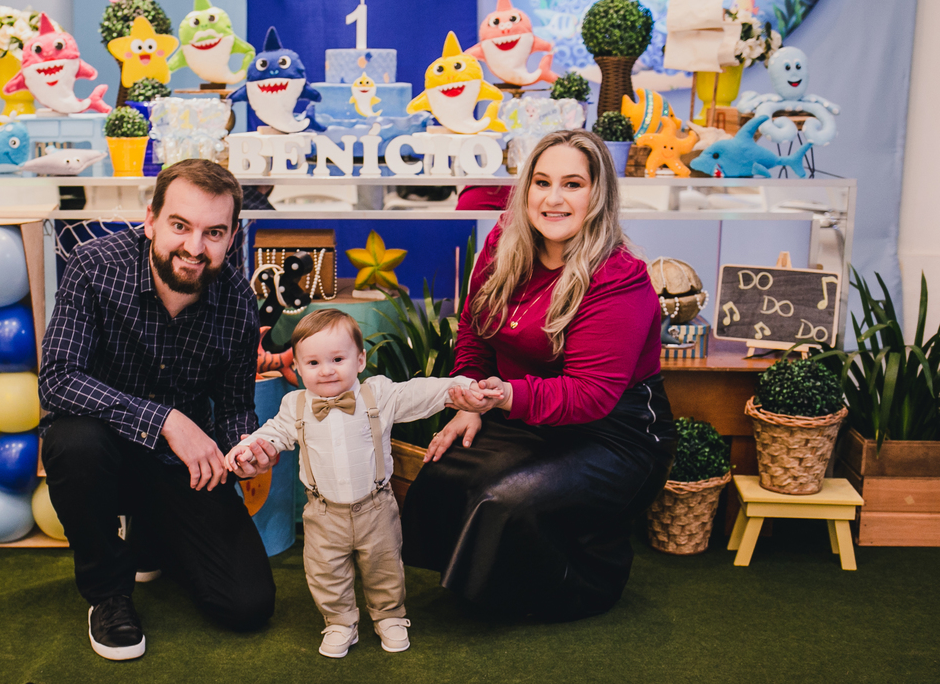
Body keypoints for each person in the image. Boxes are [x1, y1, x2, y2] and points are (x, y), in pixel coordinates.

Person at [401, 129, 677, 621]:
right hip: (526, 410)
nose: (553, 199)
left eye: (573, 184)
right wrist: (468, 401)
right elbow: (475, 329)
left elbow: (590, 394)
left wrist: (505, 396)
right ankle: (490, 572)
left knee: (505, 502)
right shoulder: (503, 244)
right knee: (444, 472)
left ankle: (589, 578)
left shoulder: (619, 277)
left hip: (615, 432)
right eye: (542, 182)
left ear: (598, 194)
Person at [39, 159, 282, 661]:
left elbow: (235, 405)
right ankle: (108, 593)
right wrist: (164, 420)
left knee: (248, 605)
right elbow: (58, 379)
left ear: (232, 236)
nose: (195, 247)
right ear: (150, 220)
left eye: (213, 232)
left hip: (180, 469)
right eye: (180, 225)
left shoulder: (238, 300)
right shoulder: (93, 266)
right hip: (100, 455)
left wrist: (246, 445)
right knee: (72, 441)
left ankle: (152, 535)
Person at [225, 309, 499, 658]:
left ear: (360, 360)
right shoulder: (295, 405)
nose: (326, 370)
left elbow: (418, 392)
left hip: (376, 506)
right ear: (298, 367)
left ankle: (390, 615)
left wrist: (460, 389)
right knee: (325, 571)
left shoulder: (378, 394)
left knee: (384, 567)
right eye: (313, 363)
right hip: (323, 513)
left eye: (337, 359)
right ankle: (339, 621)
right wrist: (249, 447)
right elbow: (273, 433)